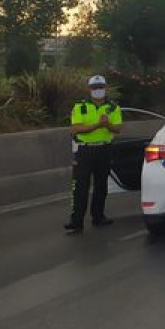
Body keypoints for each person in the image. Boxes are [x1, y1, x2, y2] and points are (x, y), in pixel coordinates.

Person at [65, 74, 122, 233]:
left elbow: (117, 128)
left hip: (104, 149)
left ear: (105, 88)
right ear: (89, 89)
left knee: (101, 185)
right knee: (80, 186)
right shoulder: (80, 107)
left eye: (101, 87)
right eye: (95, 88)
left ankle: (98, 216)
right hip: (84, 149)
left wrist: (108, 124)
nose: (98, 90)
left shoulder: (113, 107)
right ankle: (76, 221)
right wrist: (98, 125)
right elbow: (76, 128)